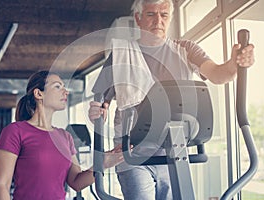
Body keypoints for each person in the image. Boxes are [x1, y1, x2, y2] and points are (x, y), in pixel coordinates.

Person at [88, 0, 255, 199]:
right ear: (138, 18)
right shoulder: (121, 55)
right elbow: (100, 105)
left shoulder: (186, 49)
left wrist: (235, 63)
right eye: (151, 14)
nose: (158, 20)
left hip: (175, 147)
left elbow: (219, 74)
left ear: (170, 18)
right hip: (132, 151)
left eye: (164, 15)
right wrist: (96, 112)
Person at [0, 70, 124, 200]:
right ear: (39, 94)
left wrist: (103, 163)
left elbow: (76, 182)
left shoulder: (65, 137)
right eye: (57, 86)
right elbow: (2, 185)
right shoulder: (15, 131)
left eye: (64, 87)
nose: (66, 92)